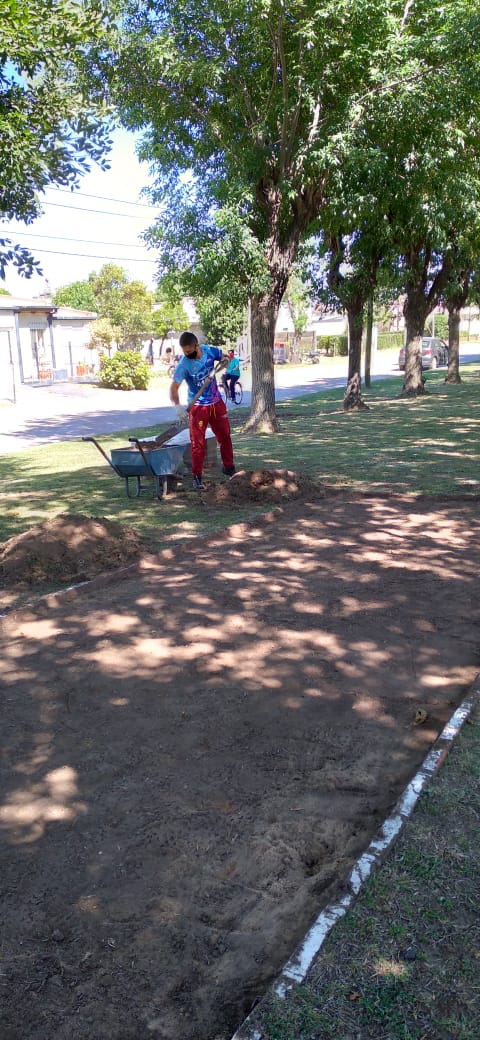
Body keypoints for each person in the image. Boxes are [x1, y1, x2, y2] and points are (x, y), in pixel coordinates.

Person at [169, 332, 236, 490]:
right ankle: (197, 476)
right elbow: (174, 388)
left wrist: (227, 360)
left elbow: (227, 357)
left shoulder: (209, 351)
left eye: (189, 351)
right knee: (197, 444)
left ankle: (229, 468)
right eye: (184, 352)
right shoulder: (184, 365)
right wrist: (178, 408)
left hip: (216, 403)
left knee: (225, 436)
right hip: (198, 407)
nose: (187, 354)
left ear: (196, 346)